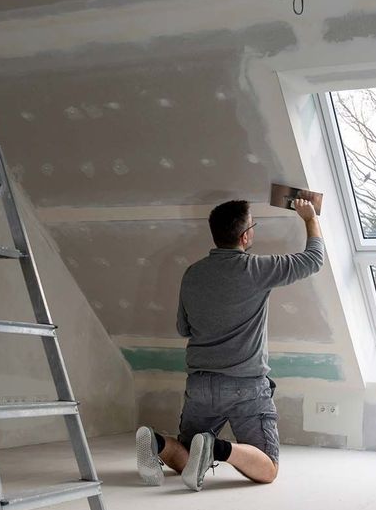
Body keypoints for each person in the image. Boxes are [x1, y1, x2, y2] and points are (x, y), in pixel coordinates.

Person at [136, 197, 324, 491]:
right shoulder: (258, 269)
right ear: (245, 235)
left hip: (200, 385)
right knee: (268, 468)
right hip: (245, 387)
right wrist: (309, 218)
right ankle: (217, 449)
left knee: (187, 457)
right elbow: (313, 259)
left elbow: (183, 328)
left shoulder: (192, 274)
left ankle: (157, 442)